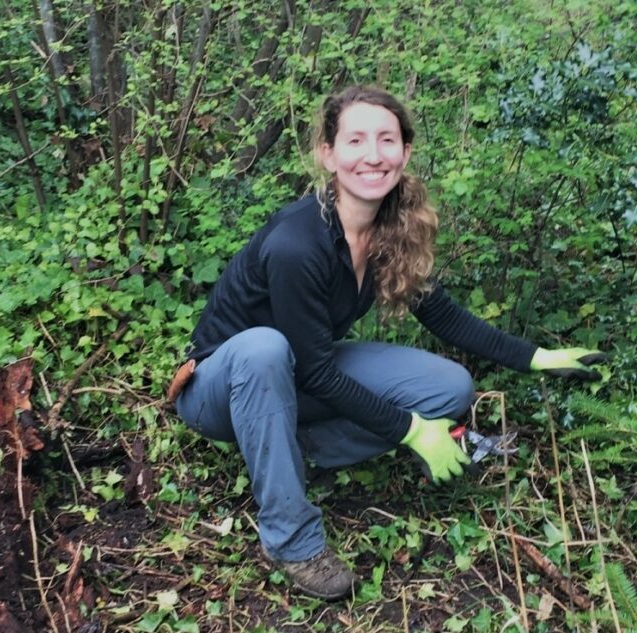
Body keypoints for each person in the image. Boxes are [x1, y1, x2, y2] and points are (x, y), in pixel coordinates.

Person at [169, 85, 606, 600]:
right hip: (221, 389)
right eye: (355, 141)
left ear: (405, 151)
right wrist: (412, 430)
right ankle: (291, 540)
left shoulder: (387, 229)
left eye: (387, 140)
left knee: (449, 387)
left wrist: (536, 357)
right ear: (327, 153)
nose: (373, 155)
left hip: (298, 378)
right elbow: (315, 372)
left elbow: (442, 315)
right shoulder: (297, 243)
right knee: (264, 346)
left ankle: (288, 450)